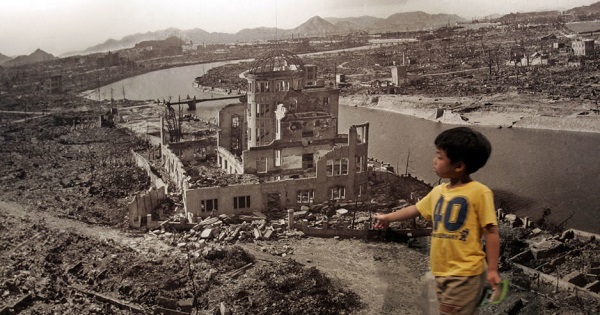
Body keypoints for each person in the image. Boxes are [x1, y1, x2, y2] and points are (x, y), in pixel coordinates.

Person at [374, 126, 501, 315]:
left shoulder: (479, 192)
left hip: (465, 272)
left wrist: (492, 269)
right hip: (441, 270)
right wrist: (388, 218)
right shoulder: (438, 192)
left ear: (459, 166)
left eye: (440, 157)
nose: (434, 161)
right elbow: (416, 209)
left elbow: (491, 232)